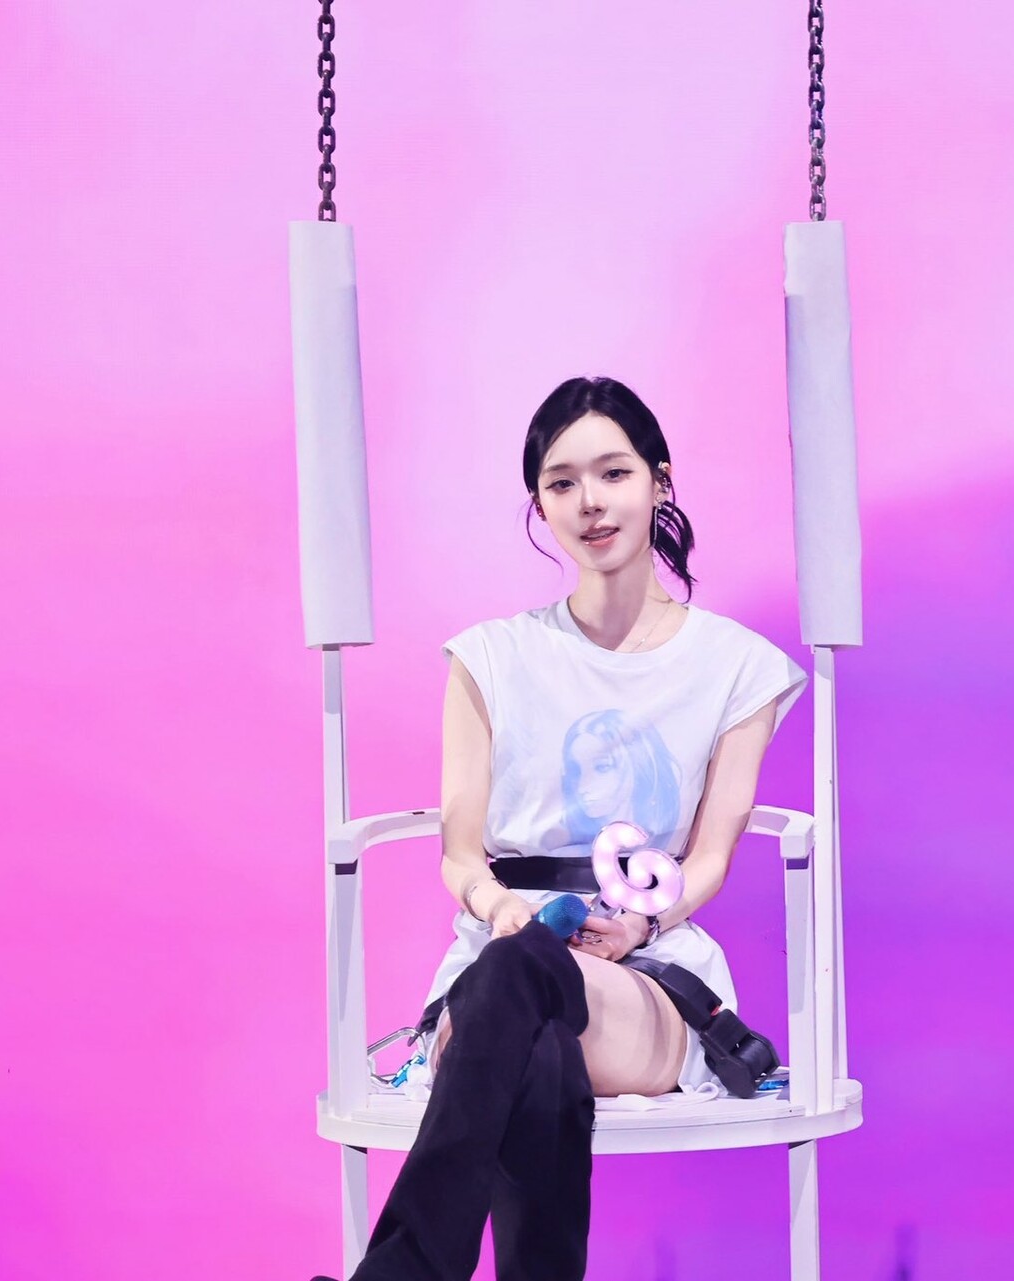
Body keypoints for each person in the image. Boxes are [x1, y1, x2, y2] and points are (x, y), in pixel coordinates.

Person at [317, 375, 807, 1281]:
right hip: (501, 952)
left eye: (614, 473)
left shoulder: (736, 666)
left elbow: (709, 857)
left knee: (518, 993)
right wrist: (500, 909)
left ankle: (404, 1271)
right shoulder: (491, 656)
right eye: (562, 482)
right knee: (526, 1019)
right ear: (539, 504)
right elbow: (461, 855)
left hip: (646, 976)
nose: (590, 502)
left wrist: (643, 923)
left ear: (660, 481)